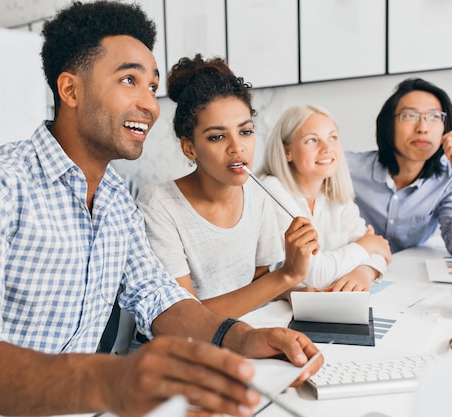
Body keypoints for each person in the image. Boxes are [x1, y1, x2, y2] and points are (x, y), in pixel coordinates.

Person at [0, 2, 322, 417]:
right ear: (70, 90)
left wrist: (239, 338)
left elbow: (158, 298)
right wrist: (110, 379)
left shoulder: (115, 198)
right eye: (129, 79)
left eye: (151, 87)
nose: (149, 104)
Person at [133, 54, 319, 326]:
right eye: (217, 137)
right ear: (189, 147)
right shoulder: (159, 204)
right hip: (188, 348)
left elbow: (259, 282)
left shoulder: (258, 195)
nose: (237, 147)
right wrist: (287, 276)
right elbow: (185, 317)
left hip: (247, 333)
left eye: (245, 131)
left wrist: (302, 294)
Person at [257, 105, 391, 292]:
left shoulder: (333, 192)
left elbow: (380, 253)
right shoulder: (272, 190)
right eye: (312, 140)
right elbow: (314, 275)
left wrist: (364, 273)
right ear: (287, 151)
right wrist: (367, 245)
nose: (327, 148)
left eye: (333, 137)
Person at [346, 78, 452, 256]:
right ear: (389, 126)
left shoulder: (447, 180)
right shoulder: (347, 169)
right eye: (410, 116)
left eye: (434, 116)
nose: (423, 128)